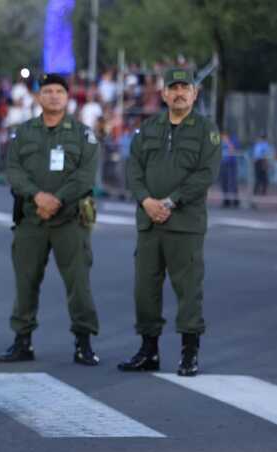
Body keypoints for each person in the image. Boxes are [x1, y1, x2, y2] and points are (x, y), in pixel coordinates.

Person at [118, 68, 221, 377]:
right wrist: (146, 201)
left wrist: (171, 200)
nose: (179, 93)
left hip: (185, 223)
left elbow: (206, 174)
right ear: (163, 94)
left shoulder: (206, 131)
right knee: (145, 289)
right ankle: (148, 350)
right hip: (150, 223)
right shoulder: (149, 128)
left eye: (184, 88)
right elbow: (134, 169)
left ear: (194, 94)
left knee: (188, 290)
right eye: (173, 88)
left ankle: (189, 353)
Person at [0, 73, 101, 366]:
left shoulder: (83, 135)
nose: (54, 96)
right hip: (31, 219)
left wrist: (56, 200)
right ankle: (22, 341)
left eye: (59, 91)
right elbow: (13, 171)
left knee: (78, 283)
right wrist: (38, 197)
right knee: (26, 282)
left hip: (70, 220)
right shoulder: (23, 133)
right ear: (38, 97)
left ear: (67, 98)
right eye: (48, 91)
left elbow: (85, 176)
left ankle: (83, 342)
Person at [219, 132, 239, 208]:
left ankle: (235, 200)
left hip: (231, 164)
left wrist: (227, 142)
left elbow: (233, 150)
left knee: (232, 182)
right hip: (222, 164)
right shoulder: (219, 140)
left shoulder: (234, 139)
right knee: (224, 182)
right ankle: (226, 200)